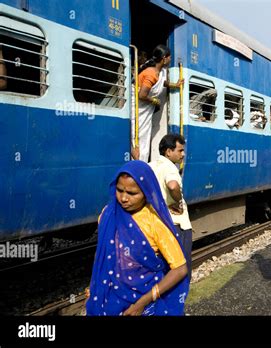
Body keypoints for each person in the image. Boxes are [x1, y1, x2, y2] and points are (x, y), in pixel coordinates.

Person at [86, 160, 189, 316]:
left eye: (132, 193)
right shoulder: (107, 214)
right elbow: (103, 253)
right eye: (120, 190)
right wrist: (95, 284)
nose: (124, 198)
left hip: (145, 301)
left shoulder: (155, 223)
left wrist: (144, 301)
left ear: (146, 192)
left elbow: (180, 269)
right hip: (111, 298)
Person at [148, 134, 193, 279]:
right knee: (180, 267)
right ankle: (180, 297)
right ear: (168, 152)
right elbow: (173, 186)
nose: (183, 154)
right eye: (180, 151)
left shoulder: (150, 166)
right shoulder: (170, 168)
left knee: (164, 267)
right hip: (176, 225)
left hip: (157, 223)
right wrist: (178, 202)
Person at [133, 45, 184, 162]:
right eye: (169, 57)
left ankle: (141, 165)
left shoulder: (158, 72)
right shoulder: (151, 73)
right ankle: (138, 167)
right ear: (164, 59)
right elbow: (142, 95)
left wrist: (174, 85)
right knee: (140, 139)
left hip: (145, 111)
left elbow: (161, 82)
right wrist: (154, 100)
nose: (171, 60)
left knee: (144, 139)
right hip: (139, 110)